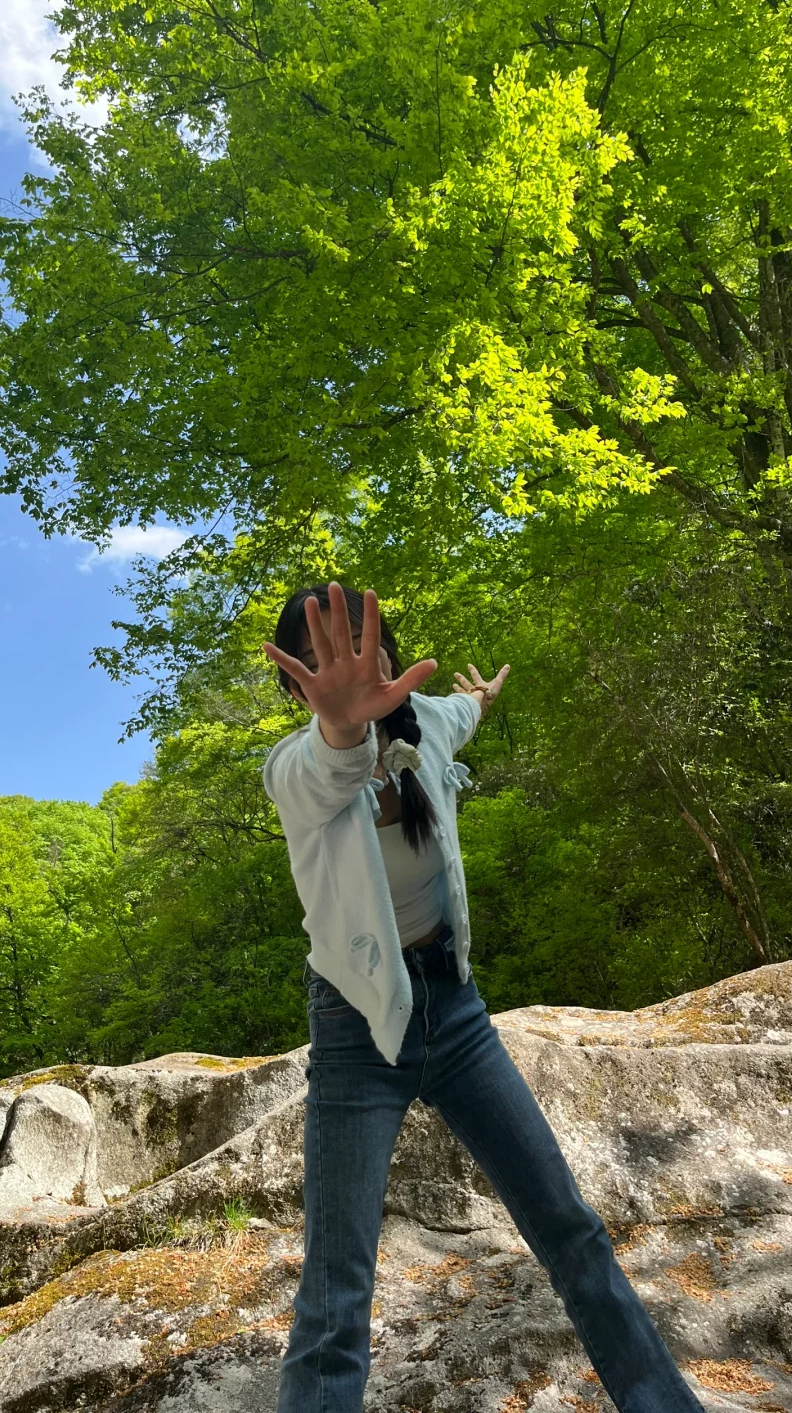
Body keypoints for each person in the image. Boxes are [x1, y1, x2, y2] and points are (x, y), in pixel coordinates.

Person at [261, 581, 704, 1413]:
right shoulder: (294, 767)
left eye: (366, 642)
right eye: (326, 656)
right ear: (298, 684)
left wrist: (479, 697)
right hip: (356, 1035)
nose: (357, 662)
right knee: (335, 1295)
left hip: (458, 1014)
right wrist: (344, 721)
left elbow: (459, 716)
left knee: (572, 1232)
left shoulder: (427, 721)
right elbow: (335, 761)